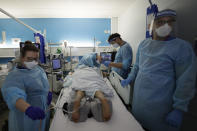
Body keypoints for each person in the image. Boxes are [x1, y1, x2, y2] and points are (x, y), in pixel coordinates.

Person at [121, 9, 197, 131]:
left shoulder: (182, 48)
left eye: (169, 22)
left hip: (162, 108)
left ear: (173, 24)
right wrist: (130, 77)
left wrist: (179, 109)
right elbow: (137, 66)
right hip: (139, 102)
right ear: (153, 24)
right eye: (160, 22)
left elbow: (186, 80)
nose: (165, 26)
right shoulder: (144, 44)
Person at [1, 42, 52, 131]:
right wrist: (28, 109)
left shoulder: (38, 70)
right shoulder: (15, 76)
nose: (33, 62)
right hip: (26, 116)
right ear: (22, 58)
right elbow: (14, 95)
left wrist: (49, 92)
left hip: (43, 112)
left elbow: (45, 85)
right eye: (29, 59)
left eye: (35, 59)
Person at [71, 53, 113, 122]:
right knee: (96, 87)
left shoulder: (82, 63)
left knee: (80, 89)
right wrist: (104, 73)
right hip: (92, 74)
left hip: (81, 73)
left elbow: (74, 74)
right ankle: (102, 98)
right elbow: (99, 73)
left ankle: (78, 98)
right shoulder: (93, 63)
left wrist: (72, 74)